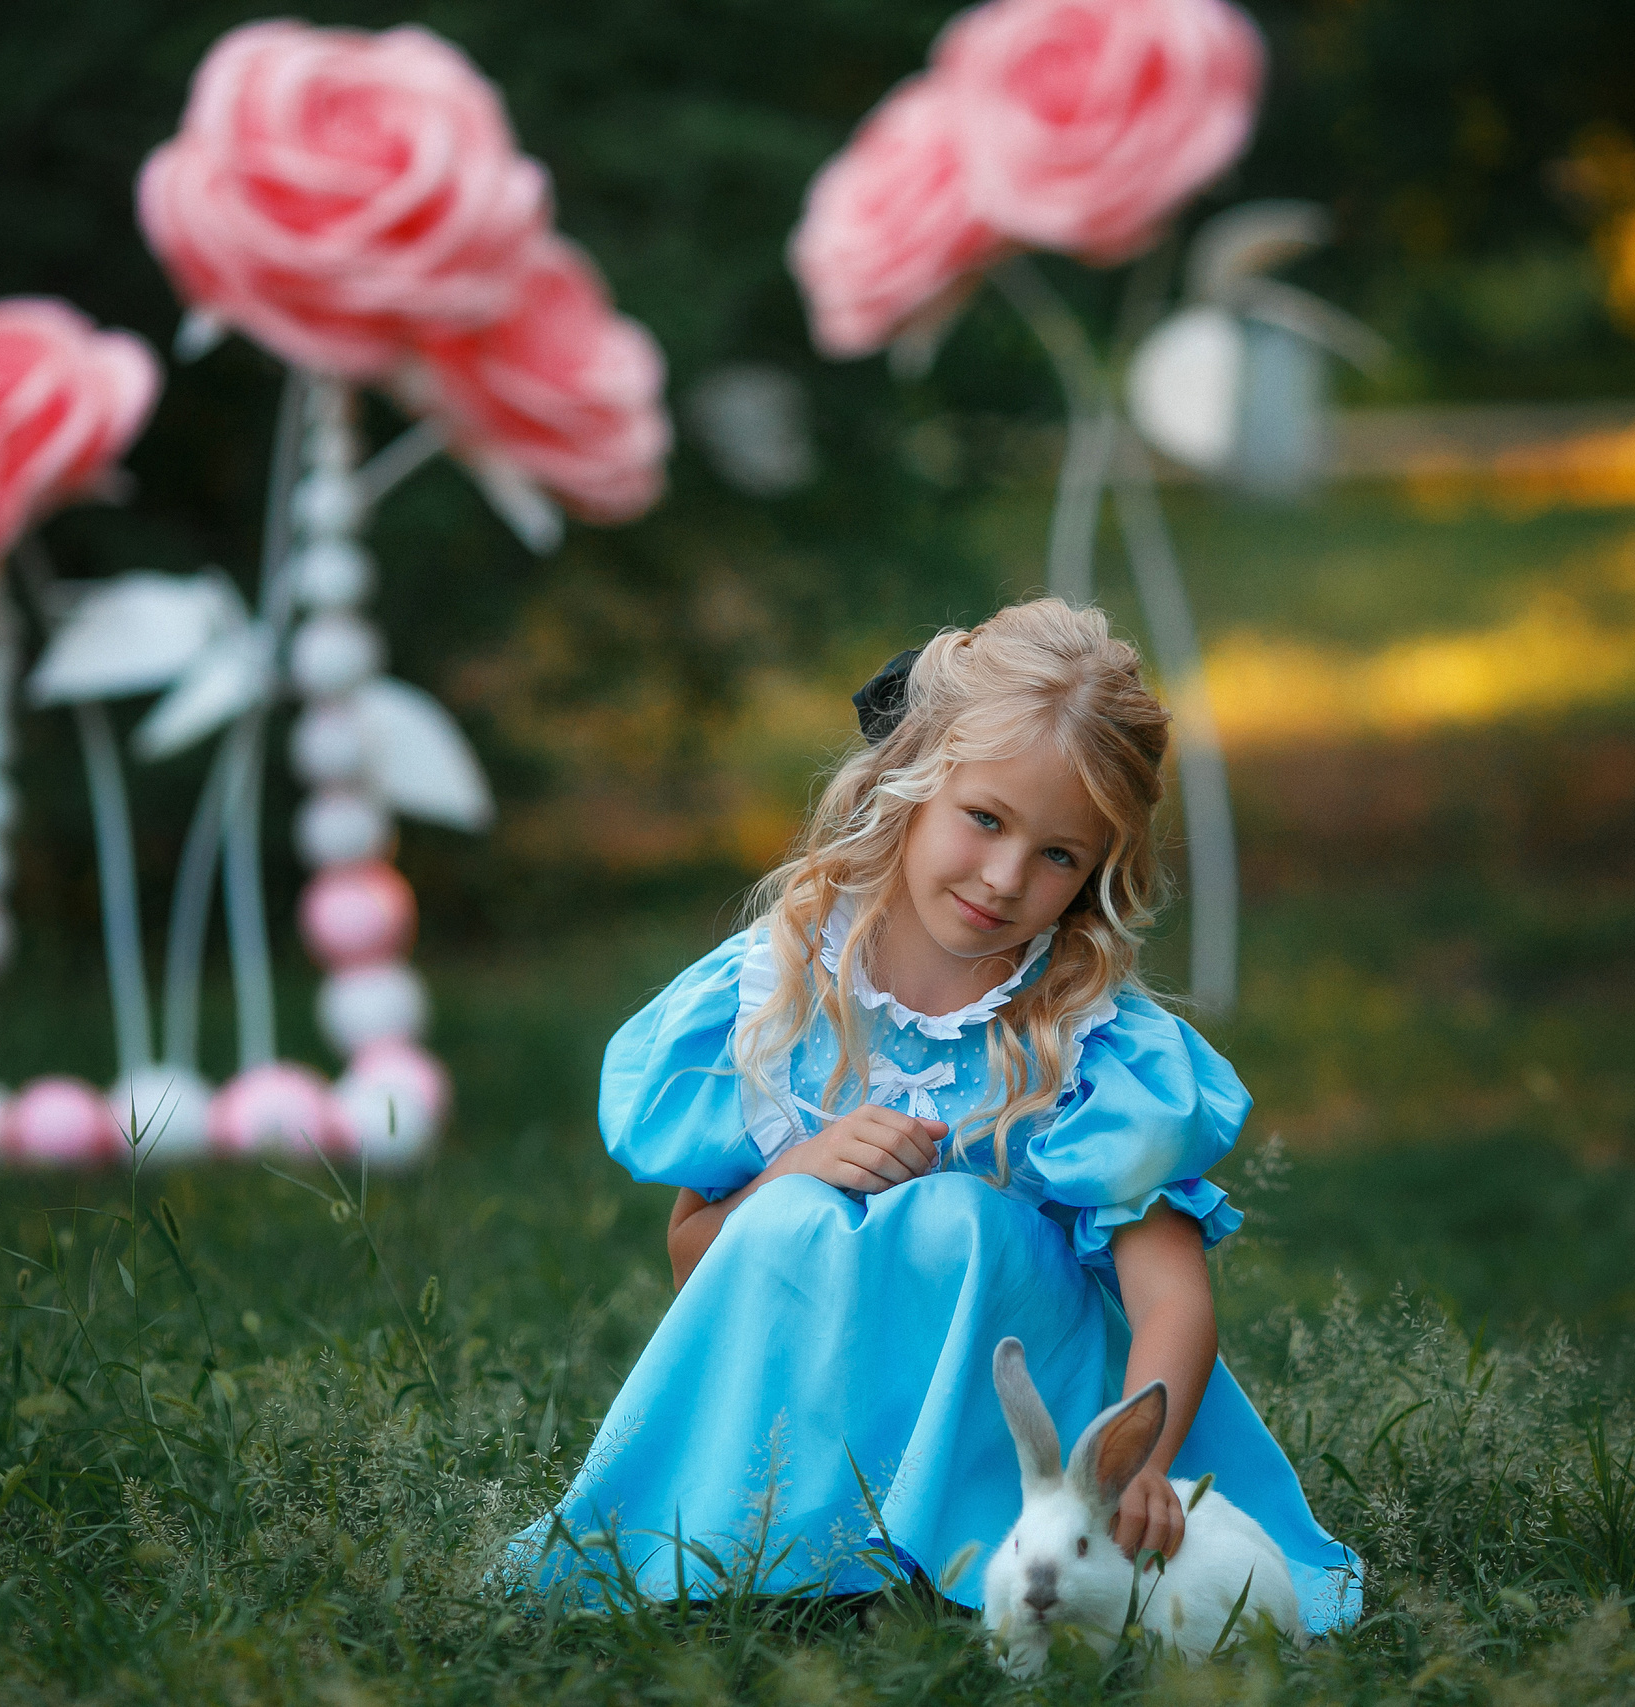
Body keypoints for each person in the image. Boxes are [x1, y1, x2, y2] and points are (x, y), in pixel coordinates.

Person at [495, 599, 1360, 1633]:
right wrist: (799, 1167)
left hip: (1023, 1440)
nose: (1005, 877)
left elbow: (1171, 1296)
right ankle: (791, 1537)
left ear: (1096, 873)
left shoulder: (1089, 1041)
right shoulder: (776, 995)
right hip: (819, 1419)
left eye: (1059, 856)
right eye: (985, 819)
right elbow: (699, 1265)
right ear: (908, 779)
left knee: (956, 1214)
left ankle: (963, 1546)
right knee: (792, 1210)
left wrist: (1142, 1468)